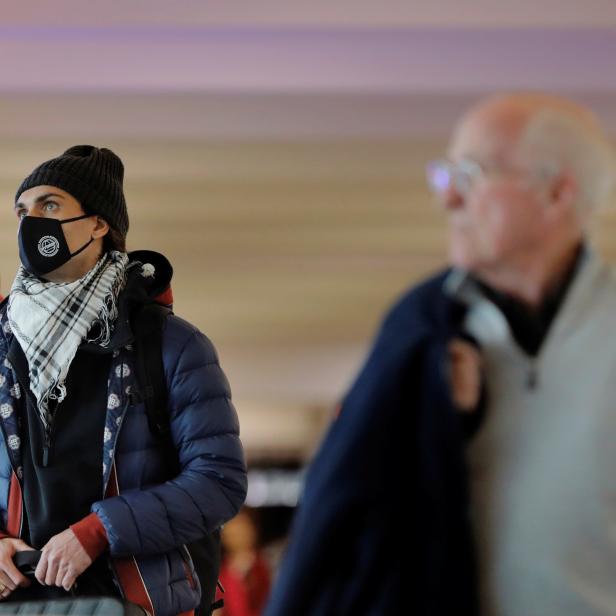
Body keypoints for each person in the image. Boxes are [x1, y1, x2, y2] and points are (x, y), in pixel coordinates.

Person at [265, 93, 616, 616]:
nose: (448, 199)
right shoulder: (422, 327)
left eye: (471, 174)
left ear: (557, 192)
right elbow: (339, 504)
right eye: (445, 175)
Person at [0, 145, 247, 615]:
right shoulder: (3, 346)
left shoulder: (171, 345)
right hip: (23, 601)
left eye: (50, 205)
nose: (32, 222)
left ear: (98, 223)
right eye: (22, 211)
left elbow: (219, 481)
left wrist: (96, 533)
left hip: (138, 600)